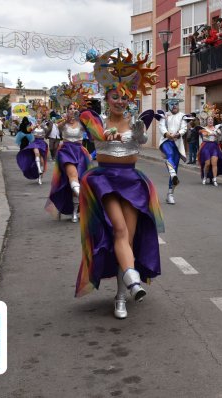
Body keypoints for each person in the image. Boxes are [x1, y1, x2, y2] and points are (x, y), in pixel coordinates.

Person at [75, 48, 163, 320]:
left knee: (129, 236)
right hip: (105, 182)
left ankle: (121, 294)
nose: (120, 101)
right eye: (115, 96)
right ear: (107, 97)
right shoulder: (95, 121)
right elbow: (93, 130)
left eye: (124, 98)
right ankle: (132, 282)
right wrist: (107, 133)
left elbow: (139, 138)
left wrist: (135, 131)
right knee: (119, 230)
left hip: (132, 183)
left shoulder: (137, 122)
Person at [46, 98, 92, 223]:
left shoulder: (82, 123)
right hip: (66, 152)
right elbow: (57, 128)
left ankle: (75, 211)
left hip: (80, 152)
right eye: (70, 109)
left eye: (75, 108)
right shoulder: (63, 123)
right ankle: (86, 203)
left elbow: (92, 132)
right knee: (73, 176)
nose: (73, 111)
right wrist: (66, 120)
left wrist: (83, 119)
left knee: (80, 181)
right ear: (66, 111)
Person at [155, 79, 188, 205]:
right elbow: (161, 126)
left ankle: (170, 194)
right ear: (169, 104)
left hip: (177, 144)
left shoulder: (183, 116)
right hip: (166, 141)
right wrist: (167, 134)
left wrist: (178, 134)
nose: (174, 106)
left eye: (176, 104)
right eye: (172, 104)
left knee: (174, 166)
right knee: (169, 157)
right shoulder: (165, 115)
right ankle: (173, 174)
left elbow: (184, 128)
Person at [196, 110, 222, 186]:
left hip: (214, 147)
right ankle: (205, 177)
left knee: (214, 163)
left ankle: (215, 179)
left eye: (211, 120)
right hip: (206, 146)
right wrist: (211, 133)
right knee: (207, 164)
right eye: (209, 120)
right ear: (206, 121)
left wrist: (217, 132)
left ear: (213, 121)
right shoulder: (203, 129)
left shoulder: (217, 128)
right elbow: (203, 134)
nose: (210, 121)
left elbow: (219, 134)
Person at [16, 117, 49, 185]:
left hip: (42, 143)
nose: (39, 120)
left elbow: (48, 131)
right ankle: (39, 170)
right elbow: (28, 130)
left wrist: (44, 126)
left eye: (40, 119)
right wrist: (33, 127)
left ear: (41, 120)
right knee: (36, 153)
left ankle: (40, 177)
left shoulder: (44, 126)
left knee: (42, 161)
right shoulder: (33, 126)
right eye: (37, 119)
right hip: (35, 142)